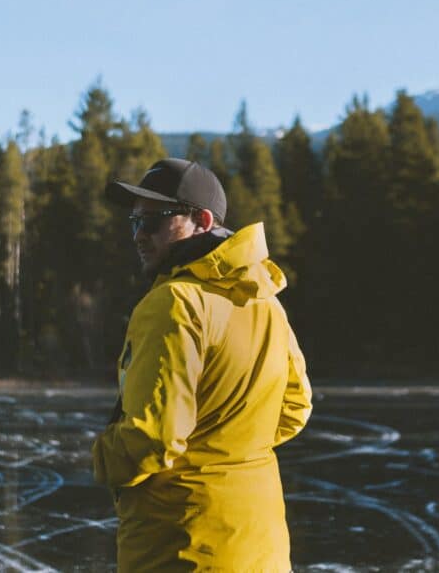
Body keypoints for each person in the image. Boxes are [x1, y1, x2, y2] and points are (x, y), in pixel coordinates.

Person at [92, 158, 312, 572]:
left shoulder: (172, 303)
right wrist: (230, 446)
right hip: (259, 548)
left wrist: (102, 455)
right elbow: (295, 408)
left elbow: (151, 439)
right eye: (134, 223)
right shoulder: (266, 302)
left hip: (182, 548)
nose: (140, 235)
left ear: (203, 220)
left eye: (154, 221)